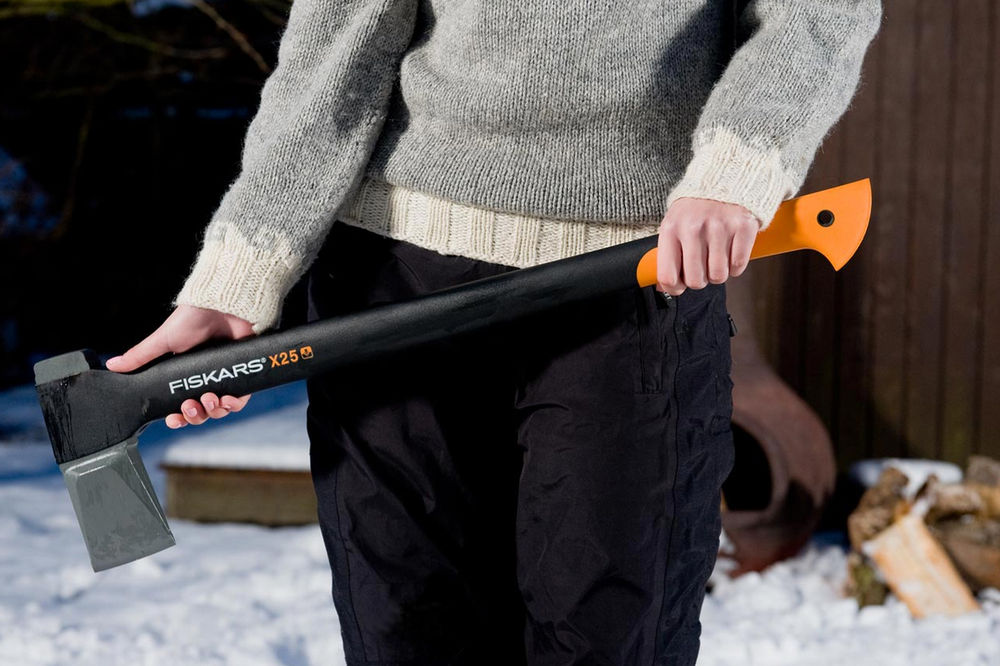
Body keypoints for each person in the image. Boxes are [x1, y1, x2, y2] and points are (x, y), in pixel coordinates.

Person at [107, 1, 881, 663]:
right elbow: (335, 45)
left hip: (631, 283)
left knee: (608, 633)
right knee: (406, 633)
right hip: (394, 285)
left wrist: (738, 165)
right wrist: (239, 274)